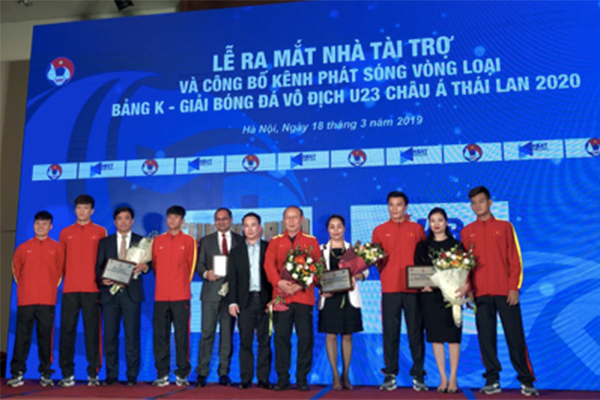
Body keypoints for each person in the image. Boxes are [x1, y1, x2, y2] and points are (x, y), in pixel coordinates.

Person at [458, 186, 538, 396]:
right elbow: (465, 265)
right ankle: (492, 380)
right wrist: (469, 289)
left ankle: (526, 380)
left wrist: (513, 288)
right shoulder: (467, 232)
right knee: (486, 339)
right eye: (473, 203)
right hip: (480, 294)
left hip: (505, 293)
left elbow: (515, 259)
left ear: (490, 202)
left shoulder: (505, 227)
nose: (477, 206)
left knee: (515, 338)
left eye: (481, 201)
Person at [372, 191, 427, 391]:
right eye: (391, 205)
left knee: (416, 332)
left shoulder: (417, 229)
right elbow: (375, 259)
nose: (395, 208)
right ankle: (390, 374)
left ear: (406, 207)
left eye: (399, 204)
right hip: (390, 288)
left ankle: (418, 375)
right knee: (390, 332)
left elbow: (424, 258)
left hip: (414, 289)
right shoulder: (379, 230)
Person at [264, 206, 322, 391]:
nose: (291, 221)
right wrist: (279, 282)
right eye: (288, 218)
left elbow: (318, 267)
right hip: (281, 299)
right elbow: (268, 265)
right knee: (281, 339)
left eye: (295, 217)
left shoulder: (311, 241)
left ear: (302, 219)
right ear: (283, 220)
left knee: (305, 339)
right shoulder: (275, 241)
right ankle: (282, 377)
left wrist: (301, 284)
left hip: (303, 297)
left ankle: (302, 378)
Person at [7, 211, 64, 387]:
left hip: (47, 301)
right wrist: (27, 289)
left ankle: (46, 373)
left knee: (45, 338)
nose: (41, 226)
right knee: (22, 338)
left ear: (51, 226)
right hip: (26, 300)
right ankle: (17, 373)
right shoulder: (23, 248)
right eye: (38, 223)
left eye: (45, 224)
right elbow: (16, 272)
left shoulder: (57, 248)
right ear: (34, 225)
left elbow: (59, 273)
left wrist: (48, 289)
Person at [95, 207, 149, 386]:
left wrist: (145, 267)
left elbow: (151, 264)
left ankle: (132, 375)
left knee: (132, 336)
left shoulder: (142, 241)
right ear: (115, 222)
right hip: (110, 294)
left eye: (127, 218)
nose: (123, 222)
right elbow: (98, 267)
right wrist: (103, 279)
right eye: (119, 218)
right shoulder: (105, 242)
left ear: (132, 221)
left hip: (131, 294)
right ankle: (111, 374)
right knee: (110, 336)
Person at [58, 195, 107, 387]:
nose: (82, 211)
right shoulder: (65, 233)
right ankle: (67, 374)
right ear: (75, 209)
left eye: (86, 208)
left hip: (92, 289)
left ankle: (93, 373)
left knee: (92, 332)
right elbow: (60, 262)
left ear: (92, 211)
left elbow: (105, 259)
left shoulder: (100, 231)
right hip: (70, 289)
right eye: (79, 207)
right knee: (67, 331)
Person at [414, 207, 463, 393]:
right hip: (430, 298)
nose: (436, 224)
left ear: (446, 222)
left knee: (453, 338)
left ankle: (453, 378)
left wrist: (461, 287)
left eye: (440, 220)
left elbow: (463, 271)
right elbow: (418, 271)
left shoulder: (456, 245)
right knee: (436, 338)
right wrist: (423, 285)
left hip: (451, 296)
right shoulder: (422, 246)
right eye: (432, 220)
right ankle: (443, 378)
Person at [318, 215, 367, 391]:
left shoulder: (352, 250)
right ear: (327, 230)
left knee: (347, 335)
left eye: (339, 226)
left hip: (348, 297)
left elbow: (365, 271)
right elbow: (315, 274)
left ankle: (346, 374)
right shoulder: (320, 250)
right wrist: (321, 287)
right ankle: (334, 375)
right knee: (331, 335)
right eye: (332, 227)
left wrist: (357, 276)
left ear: (344, 229)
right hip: (330, 298)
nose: (336, 230)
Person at [196, 207, 242, 387]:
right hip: (210, 293)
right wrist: (206, 273)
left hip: (232, 295)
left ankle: (224, 372)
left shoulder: (240, 240)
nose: (221, 222)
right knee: (207, 333)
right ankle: (202, 372)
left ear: (231, 220)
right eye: (218, 219)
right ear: (214, 222)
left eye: (224, 218)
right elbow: (199, 264)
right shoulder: (206, 241)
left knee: (227, 335)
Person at [151, 205, 197, 387]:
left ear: (182, 221)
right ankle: (162, 374)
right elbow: (155, 266)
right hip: (161, 296)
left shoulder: (189, 241)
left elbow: (191, 268)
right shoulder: (157, 241)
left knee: (181, 336)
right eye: (170, 217)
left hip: (180, 296)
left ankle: (182, 374)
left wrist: (180, 285)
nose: (172, 220)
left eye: (176, 217)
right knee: (160, 337)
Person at [227, 212, 273, 390]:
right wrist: (232, 302)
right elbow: (232, 279)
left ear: (259, 227)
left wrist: (274, 300)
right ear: (243, 229)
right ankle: (245, 378)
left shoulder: (269, 248)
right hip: (245, 302)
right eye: (246, 225)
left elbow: (275, 276)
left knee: (265, 341)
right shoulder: (236, 251)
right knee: (245, 342)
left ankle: (263, 378)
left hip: (265, 301)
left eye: (253, 225)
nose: (250, 229)